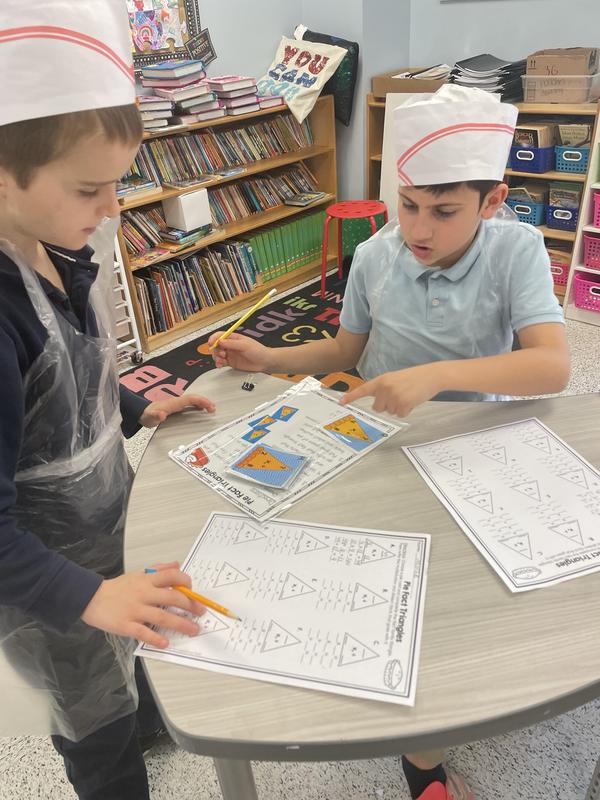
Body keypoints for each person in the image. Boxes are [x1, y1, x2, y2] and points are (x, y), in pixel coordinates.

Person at [209, 85, 571, 800]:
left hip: (469, 442)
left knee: (459, 605)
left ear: (492, 202)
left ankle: (425, 756)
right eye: (409, 205)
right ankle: (406, 728)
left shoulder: (516, 251)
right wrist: (270, 359)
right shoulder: (375, 256)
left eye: (444, 211)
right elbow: (347, 347)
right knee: (381, 582)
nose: (420, 229)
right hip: (380, 439)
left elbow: (552, 365)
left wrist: (436, 375)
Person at [0, 2, 214, 798]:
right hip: (46, 576)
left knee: (132, 651)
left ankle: (149, 720)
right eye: (93, 188)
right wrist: (87, 594)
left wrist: (132, 407)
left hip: (104, 524)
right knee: (92, 716)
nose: (113, 208)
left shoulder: (55, 244)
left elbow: (70, 369)